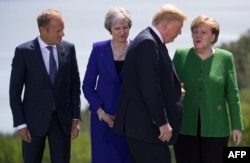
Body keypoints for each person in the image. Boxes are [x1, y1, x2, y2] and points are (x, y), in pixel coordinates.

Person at [112, 4, 187, 163]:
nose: (180, 33)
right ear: (165, 24)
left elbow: (152, 80)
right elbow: (149, 88)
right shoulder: (148, 43)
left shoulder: (150, 40)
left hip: (144, 130)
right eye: (179, 28)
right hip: (146, 130)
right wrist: (162, 122)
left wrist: (175, 91)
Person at [9, 9, 81, 163]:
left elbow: (75, 86)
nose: (63, 34)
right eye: (58, 30)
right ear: (43, 30)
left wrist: (75, 117)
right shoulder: (23, 52)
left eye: (63, 29)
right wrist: (20, 124)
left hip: (62, 121)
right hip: (32, 123)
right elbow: (14, 93)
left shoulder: (68, 48)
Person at [172, 15, 244, 163]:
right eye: (195, 31)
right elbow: (167, 86)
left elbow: (233, 94)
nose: (198, 35)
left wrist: (237, 126)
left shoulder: (225, 58)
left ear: (213, 37)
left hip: (216, 129)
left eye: (203, 32)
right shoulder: (180, 55)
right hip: (185, 127)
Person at [82, 7, 132, 163]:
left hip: (131, 121)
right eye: (117, 28)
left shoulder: (139, 48)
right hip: (103, 120)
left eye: (126, 27)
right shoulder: (98, 50)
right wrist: (101, 113)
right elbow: (87, 86)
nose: (122, 32)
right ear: (109, 29)